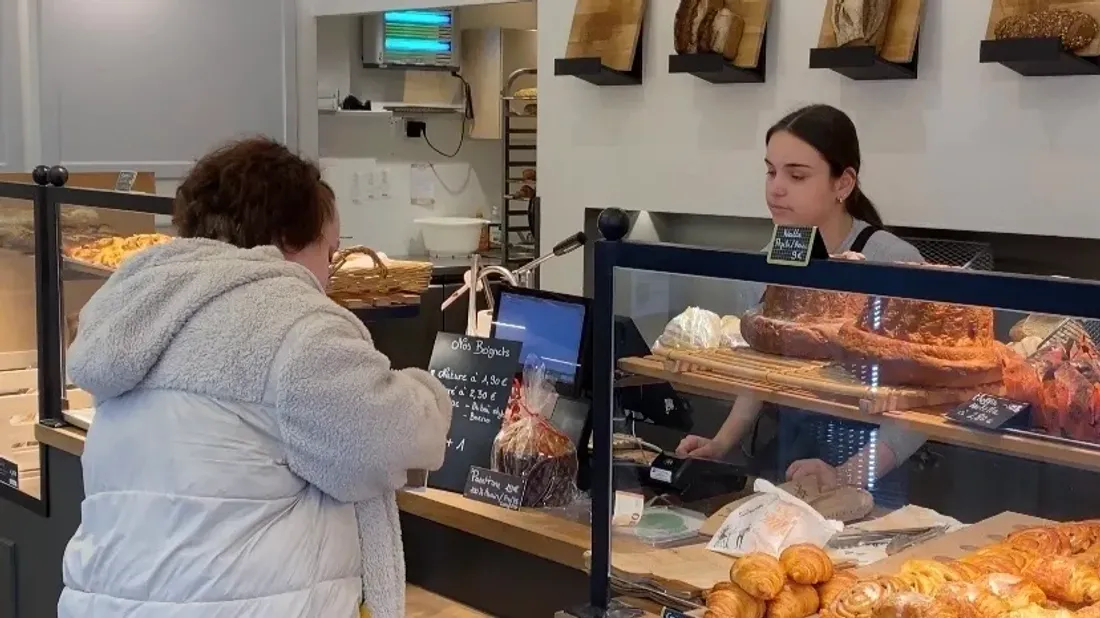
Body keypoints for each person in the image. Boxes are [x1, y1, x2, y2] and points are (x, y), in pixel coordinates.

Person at [57, 137, 452, 618]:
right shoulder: (287, 321)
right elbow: (397, 437)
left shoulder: (144, 304)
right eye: (329, 253)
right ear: (288, 237)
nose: (329, 275)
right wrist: (430, 390)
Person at [676, 104, 925, 502]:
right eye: (771, 171)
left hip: (870, 481)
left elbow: (918, 408)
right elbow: (763, 369)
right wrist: (720, 443)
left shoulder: (895, 264)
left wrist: (846, 474)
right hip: (786, 462)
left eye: (796, 175)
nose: (776, 188)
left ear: (843, 183)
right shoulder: (769, 262)